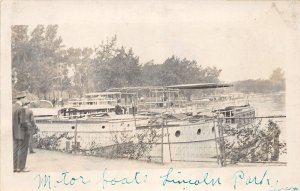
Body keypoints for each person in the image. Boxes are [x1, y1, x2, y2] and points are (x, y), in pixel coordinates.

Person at [12, 91, 29, 172]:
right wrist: (28, 128)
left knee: (15, 149)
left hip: (14, 132)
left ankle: (15, 167)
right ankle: (21, 167)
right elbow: (23, 122)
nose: (26, 99)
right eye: (25, 98)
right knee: (22, 150)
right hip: (22, 133)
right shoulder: (21, 109)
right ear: (22, 99)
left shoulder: (13, 107)